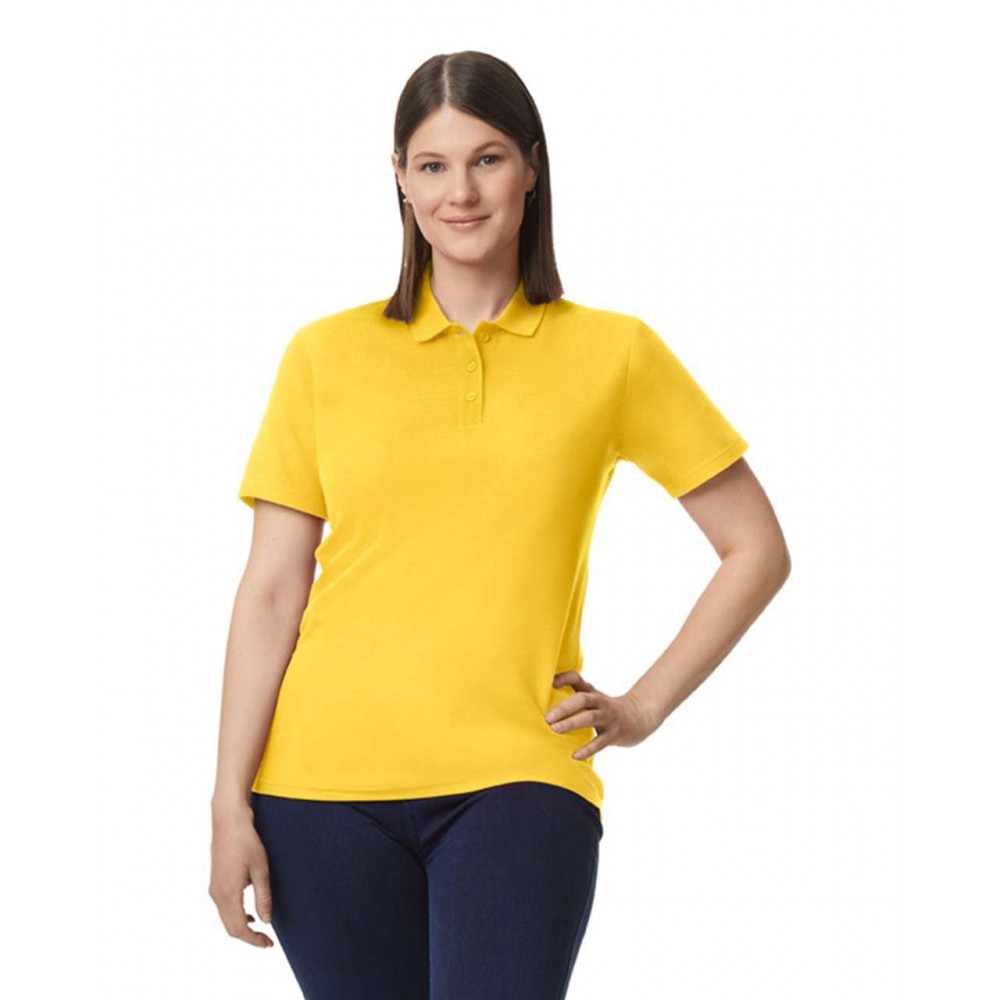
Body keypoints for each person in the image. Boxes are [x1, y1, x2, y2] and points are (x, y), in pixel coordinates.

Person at [209, 50, 790, 1000]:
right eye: (432, 165)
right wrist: (228, 801)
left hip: (519, 778)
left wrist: (641, 709)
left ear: (531, 167)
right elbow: (272, 589)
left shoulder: (613, 352)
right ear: (400, 180)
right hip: (317, 791)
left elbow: (755, 548)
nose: (461, 192)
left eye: (486, 159)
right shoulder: (323, 355)